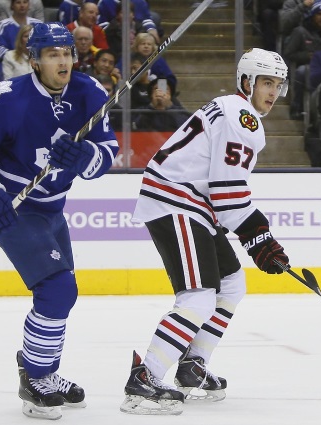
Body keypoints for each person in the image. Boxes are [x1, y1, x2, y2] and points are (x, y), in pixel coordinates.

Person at [0, 22, 119, 420]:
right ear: (34, 60)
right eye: (53, 55)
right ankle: (35, 376)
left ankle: (41, 369)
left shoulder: (90, 92)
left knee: (63, 294)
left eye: (67, 54)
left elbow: (108, 150)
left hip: (53, 207)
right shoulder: (7, 99)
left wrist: (84, 159)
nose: (63, 61)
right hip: (14, 206)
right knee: (58, 290)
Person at [120, 48, 290, 415]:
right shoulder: (242, 117)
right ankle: (145, 378)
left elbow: (223, 194)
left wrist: (258, 237)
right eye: (266, 82)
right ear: (246, 82)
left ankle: (192, 364)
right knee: (197, 297)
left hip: (191, 203)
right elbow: (228, 196)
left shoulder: (230, 107)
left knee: (231, 283)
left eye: (278, 84)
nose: (273, 92)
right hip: (177, 201)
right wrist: (260, 237)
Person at [283, 1, 321, 119]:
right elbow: (288, 53)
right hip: (308, 67)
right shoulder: (300, 31)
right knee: (301, 72)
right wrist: (306, 55)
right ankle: (296, 107)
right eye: (319, 14)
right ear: (313, 16)